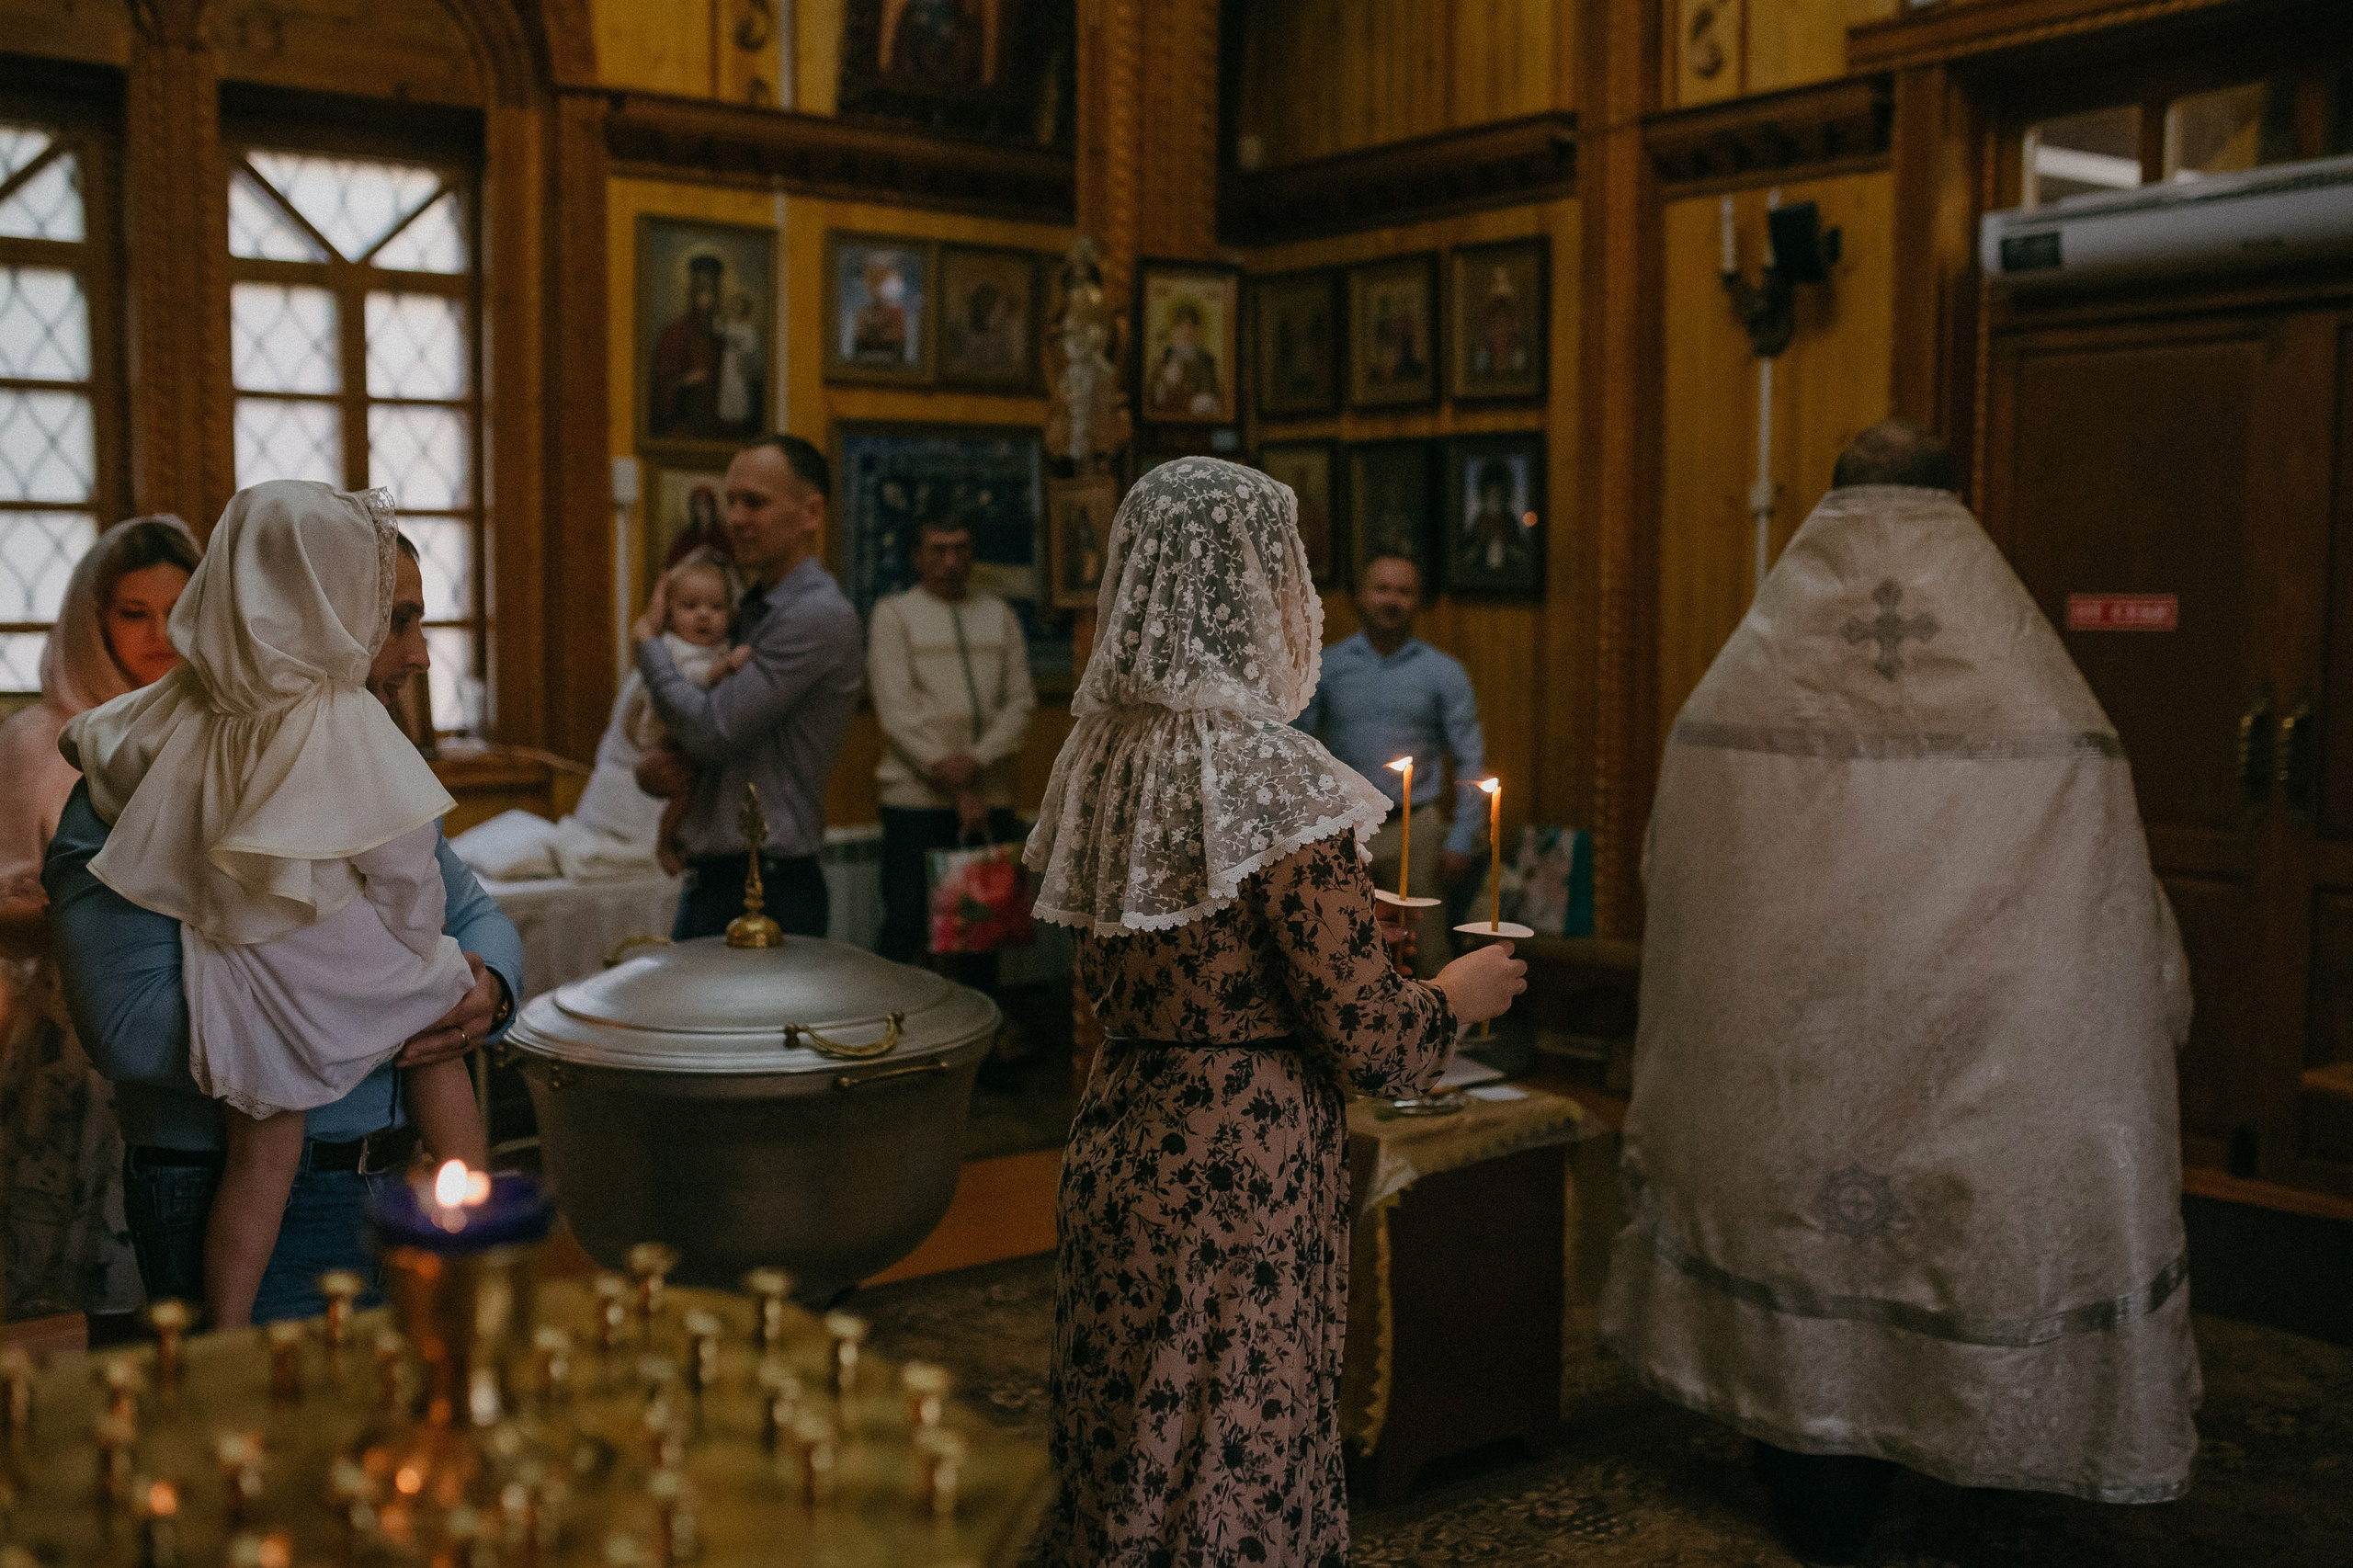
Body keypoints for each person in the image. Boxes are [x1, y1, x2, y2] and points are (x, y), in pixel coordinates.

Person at [1600, 420, 2201, 1564]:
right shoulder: (2044, 708)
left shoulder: (1737, 687)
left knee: (1796, 1230)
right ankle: (1959, 1440)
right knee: (1952, 1233)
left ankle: (1807, 1466)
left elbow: (1669, 866)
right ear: (1955, 502)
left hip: (1786, 1062)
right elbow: (2112, 910)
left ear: (1831, 497)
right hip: (1960, 1065)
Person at [1025, 457, 1525, 1567]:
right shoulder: (1272, 777)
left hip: (1124, 1130)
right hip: (1240, 1163)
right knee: (1230, 1454)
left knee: (1129, 1446)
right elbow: (1372, 1037)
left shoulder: (1102, 752)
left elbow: (1193, 955)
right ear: (1257, 586)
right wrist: (1455, 994)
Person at [44, 509, 523, 1328]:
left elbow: (473, 911)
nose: (419, 654)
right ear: (324, 619)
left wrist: (491, 989)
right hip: (212, 1171)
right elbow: (126, 1024)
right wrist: (391, 991)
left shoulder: (365, 748)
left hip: (385, 1175)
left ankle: (483, 1259)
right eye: (396, 621)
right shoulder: (137, 780)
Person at [0, 515, 199, 1328]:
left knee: (187, 1281)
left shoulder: (208, 727)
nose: (159, 635)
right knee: (87, 1291)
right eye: (132, 613)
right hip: (74, 1027)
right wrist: (75, 915)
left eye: (177, 611)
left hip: (190, 1015)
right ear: (93, 619)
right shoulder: (38, 739)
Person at [632, 435, 864, 942]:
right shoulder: (748, 613)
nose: (734, 517)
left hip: (768, 885)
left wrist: (649, 645)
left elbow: (714, 730)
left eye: (754, 502)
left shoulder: (814, 616)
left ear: (811, 513)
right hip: (717, 876)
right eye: (731, 500)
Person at [1292, 553, 1488, 977]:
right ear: (1360, 596)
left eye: (1404, 590)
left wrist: (1462, 837)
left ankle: (1445, 1042)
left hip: (1416, 831)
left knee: (1431, 952)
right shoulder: (1327, 668)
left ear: (1419, 601)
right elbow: (1296, 746)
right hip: (1344, 829)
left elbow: (1471, 756)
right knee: (1342, 949)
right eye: (1382, 588)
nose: (1391, 600)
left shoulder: (1444, 673)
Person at [866, 509, 1036, 984]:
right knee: (907, 925)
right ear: (919, 557)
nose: (951, 560)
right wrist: (954, 777)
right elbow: (897, 714)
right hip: (914, 803)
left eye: (961, 548)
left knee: (984, 931)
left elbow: (1020, 704)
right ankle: (893, 1038)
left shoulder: (999, 615)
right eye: (939, 550)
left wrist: (977, 761)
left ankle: (982, 1047)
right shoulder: (893, 614)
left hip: (993, 798)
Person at [626, 555, 754, 876]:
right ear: (669, 614)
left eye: (716, 607)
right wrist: (723, 668)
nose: (703, 615)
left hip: (694, 737)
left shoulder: (721, 644)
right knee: (683, 792)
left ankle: (680, 841)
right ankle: (665, 841)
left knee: (698, 790)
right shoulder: (673, 646)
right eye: (690, 606)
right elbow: (689, 676)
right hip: (664, 735)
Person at [650, 253, 724, 439]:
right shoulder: (673, 333)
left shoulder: (726, 335)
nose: (706, 297)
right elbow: (660, 385)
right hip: (682, 426)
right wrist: (685, 381)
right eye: (701, 290)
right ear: (692, 291)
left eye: (711, 290)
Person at [1151, 298, 1221, 416]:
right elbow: (1154, 388)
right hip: (1168, 412)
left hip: (1195, 412)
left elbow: (1209, 390)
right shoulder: (1166, 354)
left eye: (1190, 327)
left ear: (1197, 330)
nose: (1185, 331)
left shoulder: (1206, 358)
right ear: (1175, 329)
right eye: (1181, 326)